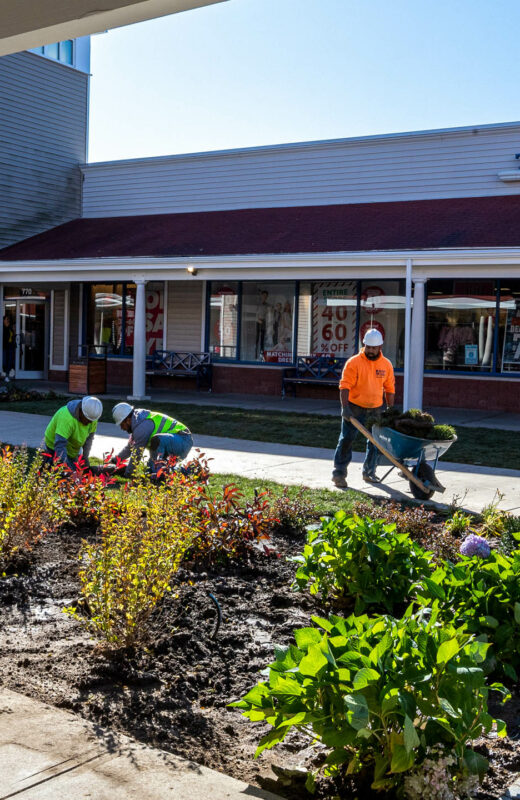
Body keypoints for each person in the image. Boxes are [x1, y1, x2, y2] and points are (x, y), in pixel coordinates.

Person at [332, 328, 395, 488]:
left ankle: (369, 472)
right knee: (346, 439)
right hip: (354, 407)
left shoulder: (386, 364)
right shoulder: (354, 362)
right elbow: (344, 386)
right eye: (368, 347)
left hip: (376, 408)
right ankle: (339, 474)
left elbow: (389, 388)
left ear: (380, 347)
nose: (371, 351)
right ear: (364, 345)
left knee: (376, 442)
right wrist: (345, 407)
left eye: (374, 348)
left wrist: (390, 409)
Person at [111, 403, 193, 477]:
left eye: (121, 424)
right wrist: (114, 461)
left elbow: (137, 453)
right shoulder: (138, 422)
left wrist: (128, 473)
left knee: (155, 469)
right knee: (150, 471)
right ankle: (190, 470)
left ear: (128, 420)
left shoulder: (141, 428)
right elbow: (129, 448)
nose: (121, 428)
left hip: (183, 440)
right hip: (175, 442)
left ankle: (189, 470)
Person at [43, 396, 103, 471]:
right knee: (63, 472)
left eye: (92, 420)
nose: (90, 422)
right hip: (54, 445)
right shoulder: (67, 418)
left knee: (77, 471)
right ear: (81, 411)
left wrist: (85, 458)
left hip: (72, 449)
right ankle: (48, 461)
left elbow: (89, 440)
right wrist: (67, 469)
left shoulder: (92, 417)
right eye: (88, 420)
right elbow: (60, 445)